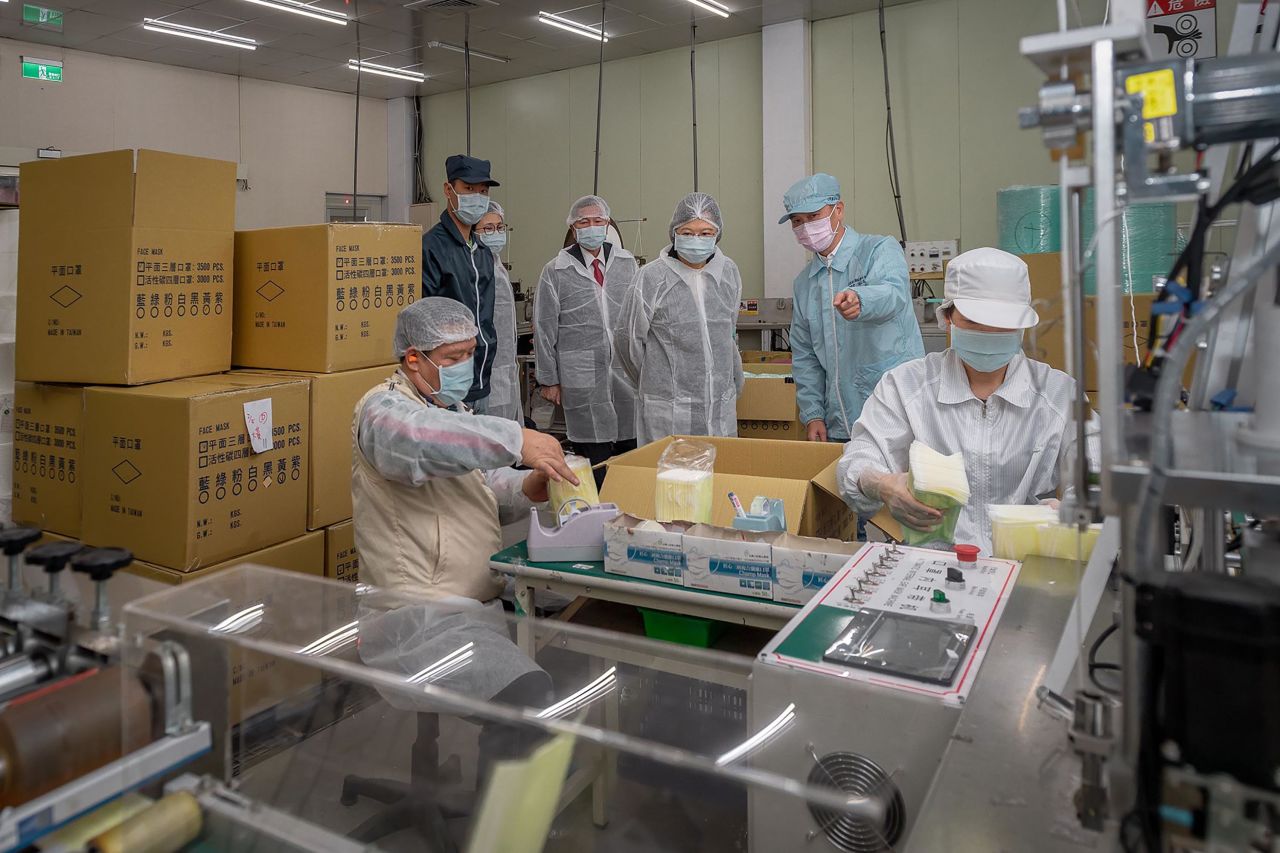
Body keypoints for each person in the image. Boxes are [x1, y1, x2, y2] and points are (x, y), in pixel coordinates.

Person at [837, 248, 1088, 554]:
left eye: (1002, 323)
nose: (989, 332)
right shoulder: (906, 386)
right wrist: (881, 484)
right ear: (947, 318)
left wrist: (1074, 509)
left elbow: (1098, 471)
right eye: (974, 321)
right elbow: (859, 457)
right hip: (931, 563)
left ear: (1023, 325)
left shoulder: (1059, 395)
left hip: (1025, 562)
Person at [352, 297, 576, 601]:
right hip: (415, 613)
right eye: (453, 357)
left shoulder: (455, 411)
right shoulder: (382, 410)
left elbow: (479, 486)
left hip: (476, 596)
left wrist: (526, 487)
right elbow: (420, 441)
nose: (465, 365)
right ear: (413, 358)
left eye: (470, 353)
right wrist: (515, 439)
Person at [782, 173, 924, 443]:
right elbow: (805, 355)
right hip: (838, 423)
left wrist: (862, 300)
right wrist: (813, 414)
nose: (805, 227)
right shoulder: (804, 284)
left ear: (839, 210)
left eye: (813, 216)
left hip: (894, 415)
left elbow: (894, 294)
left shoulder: (878, 250)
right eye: (797, 221)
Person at [615, 192, 743, 445]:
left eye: (706, 233)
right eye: (687, 232)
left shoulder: (728, 273)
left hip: (719, 406)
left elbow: (728, 334)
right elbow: (627, 342)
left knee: (719, 476)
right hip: (668, 410)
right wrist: (657, 382)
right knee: (672, 480)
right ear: (674, 233)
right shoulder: (651, 277)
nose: (696, 239)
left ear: (717, 235)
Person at [533, 195, 641, 475]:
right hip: (581, 372)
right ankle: (597, 513)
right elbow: (544, 328)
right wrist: (548, 379)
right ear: (573, 227)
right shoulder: (554, 271)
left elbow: (639, 319)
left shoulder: (627, 263)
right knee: (595, 455)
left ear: (607, 224)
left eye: (597, 221)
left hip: (625, 369)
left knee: (630, 450)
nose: (591, 226)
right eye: (584, 222)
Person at [422, 154, 500, 413]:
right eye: (468, 189)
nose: (477, 197)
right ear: (448, 190)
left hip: (481, 378)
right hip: (446, 384)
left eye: (483, 191)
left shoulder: (482, 251)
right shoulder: (432, 247)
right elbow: (423, 322)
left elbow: (485, 317)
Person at [477, 201, 523, 424]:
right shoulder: (474, 267)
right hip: (487, 369)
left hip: (504, 367)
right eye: (487, 228)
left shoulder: (497, 265)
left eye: (499, 227)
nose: (495, 233)